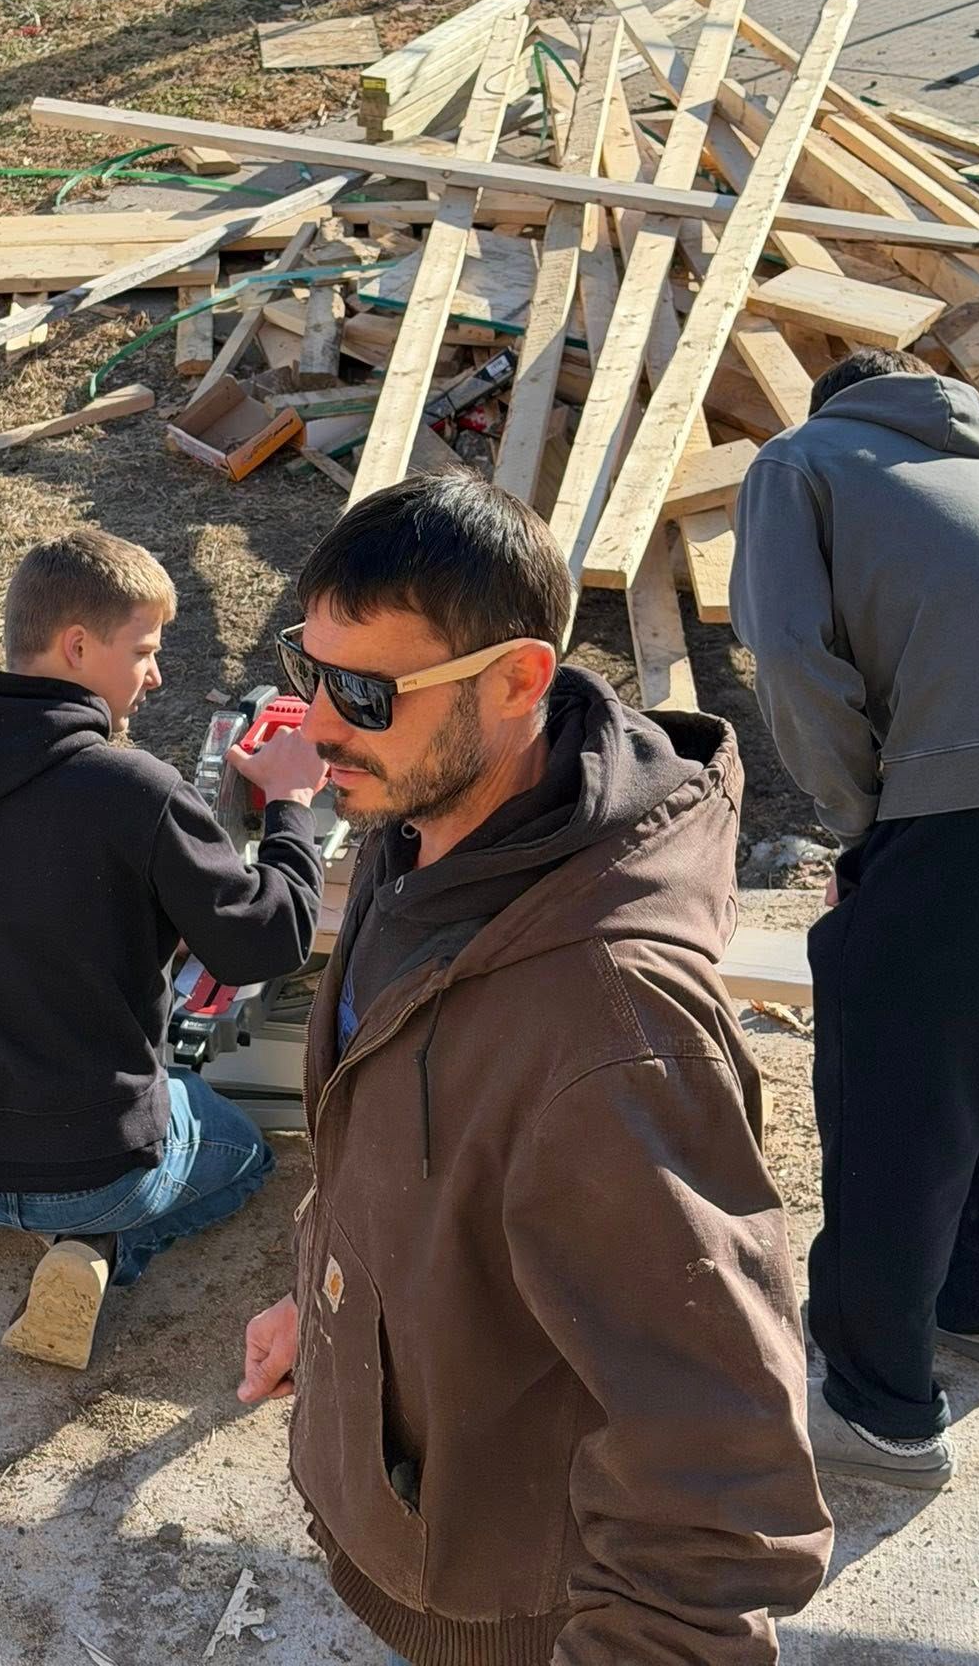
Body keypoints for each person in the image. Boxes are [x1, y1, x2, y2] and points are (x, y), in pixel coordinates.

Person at [237, 473, 831, 1666]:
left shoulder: (610, 1029)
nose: (314, 727)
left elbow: (718, 1484)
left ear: (518, 680)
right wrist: (334, 1286)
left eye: (362, 691)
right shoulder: (427, 826)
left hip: (521, 1603)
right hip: (428, 1497)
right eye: (306, 672)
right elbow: (419, 1133)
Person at [731, 347, 979, 1491]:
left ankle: (880, 1403)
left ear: (834, 403)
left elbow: (789, 652)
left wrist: (864, 822)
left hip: (968, 792)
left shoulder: (804, 459)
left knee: (900, 1083)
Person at [0, 527, 327, 1370]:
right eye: (146, 650)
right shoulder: (135, 789)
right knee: (243, 1158)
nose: (156, 673)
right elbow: (266, 940)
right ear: (79, 645)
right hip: (99, 1171)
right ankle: (99, 1251)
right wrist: (291, 801)